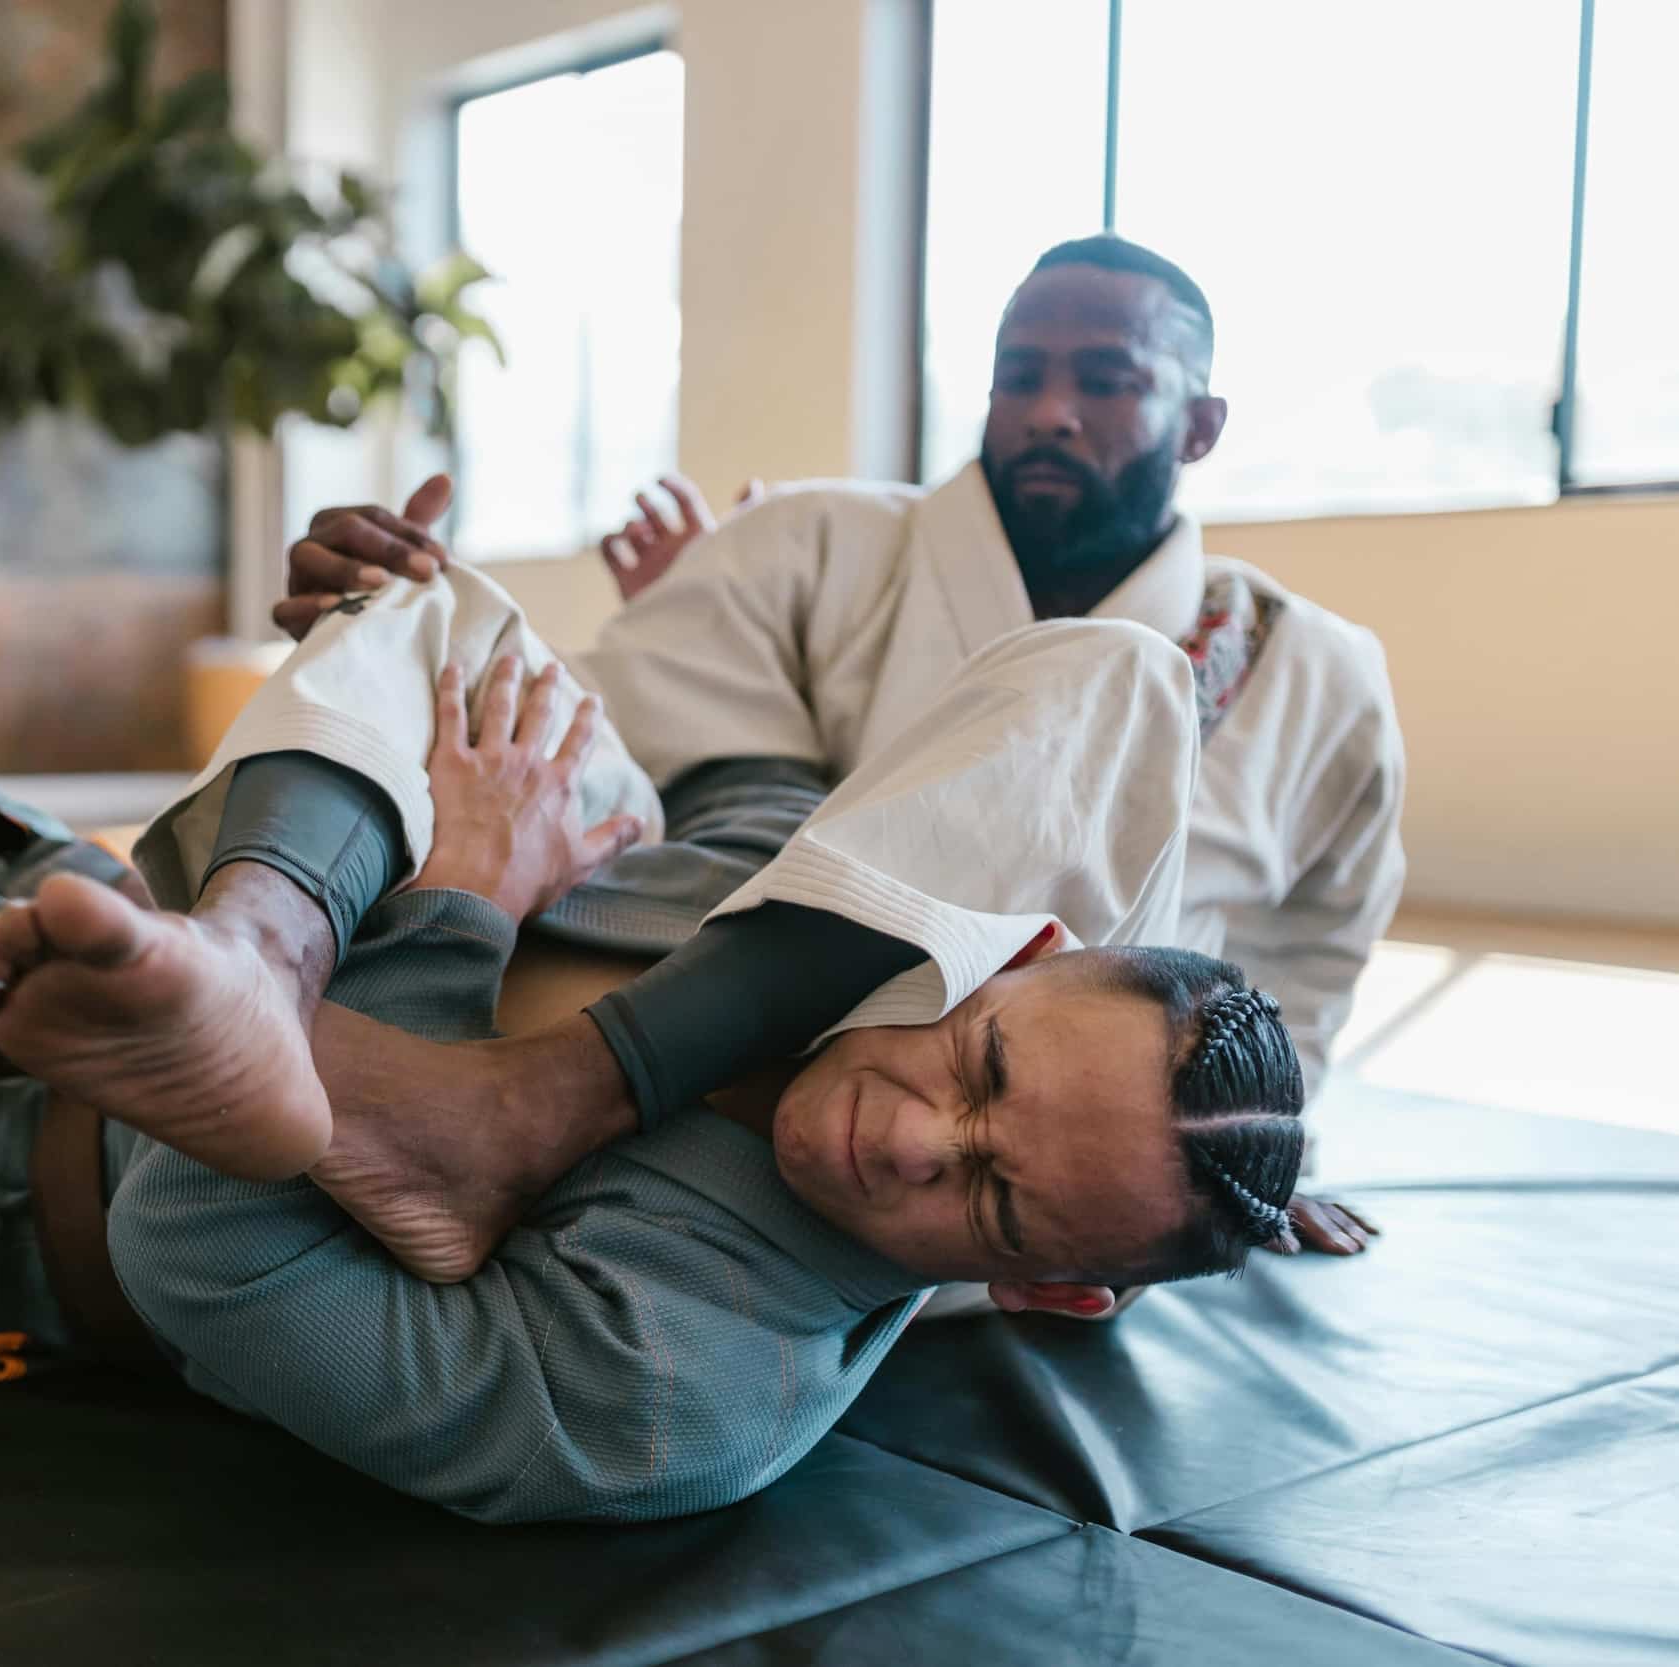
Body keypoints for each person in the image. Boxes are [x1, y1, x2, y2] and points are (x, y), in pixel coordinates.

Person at [0, 594, 1301, 1522]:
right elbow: (532, 702)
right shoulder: (816, 896)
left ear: (1034, 1282)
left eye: (994, 1196)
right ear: (1006, 948)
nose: (912, 1127)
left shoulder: (683, 1384)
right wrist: (374, 720)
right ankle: (198, 952)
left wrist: (464, 906)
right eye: (992, 1061)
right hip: (79, 913)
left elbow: (217, 1250)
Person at [276, 234, 1402, 1259]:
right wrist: (402, 622)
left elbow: (1317, 938)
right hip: (716, 1046)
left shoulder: (1314, 671)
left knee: (1118, 674)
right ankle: (261, 957)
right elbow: (593, 745)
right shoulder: (812, 542)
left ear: (1199, 425)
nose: (1050, 409)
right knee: (436, 628)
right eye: (1021, 374)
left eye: (1105, 382)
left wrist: (1247, 1149)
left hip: (998, 1189)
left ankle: (536, 1097)